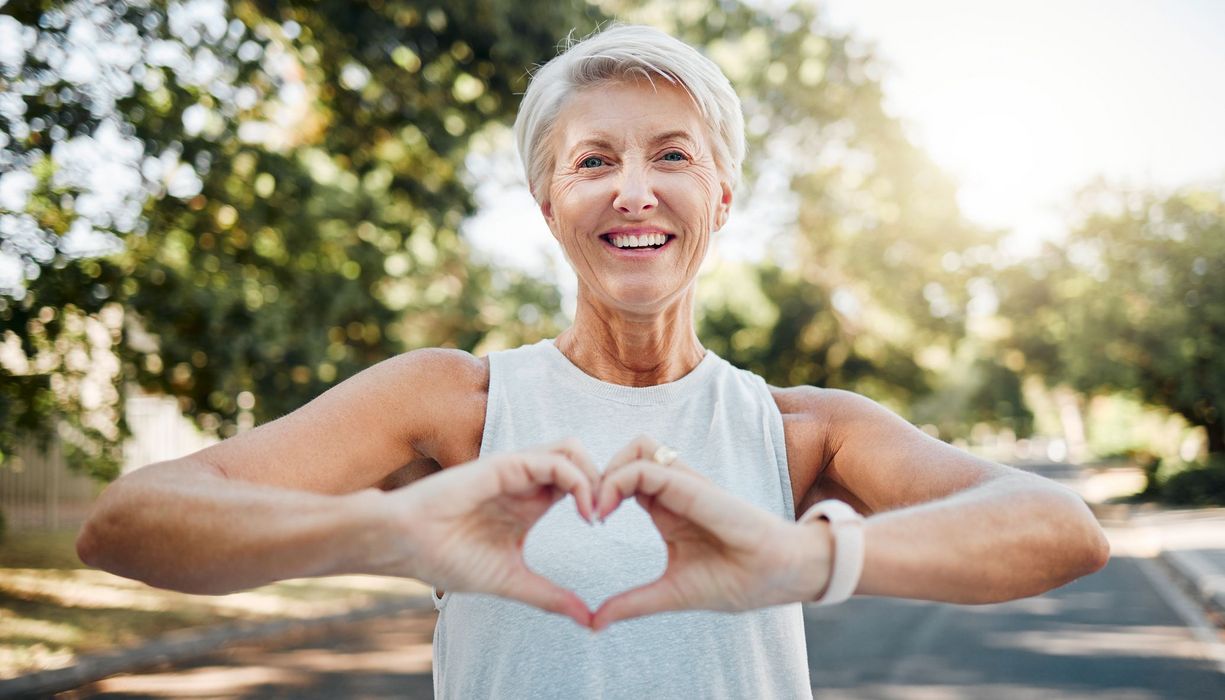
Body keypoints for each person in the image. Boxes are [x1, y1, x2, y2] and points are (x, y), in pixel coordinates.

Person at [77, 24, 1110, 698]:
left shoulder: (799, 430)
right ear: (547, 205)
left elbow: (1060, 530)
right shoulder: (452, 404)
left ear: (721, 198)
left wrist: (804, 558)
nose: (634, 190)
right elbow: (124, 525)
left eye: (671, 154)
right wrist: (395, 530)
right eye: (594, 161)